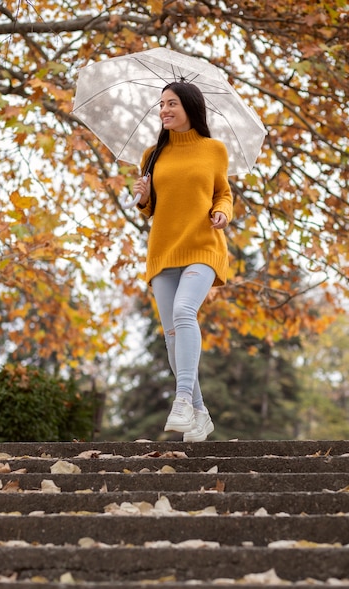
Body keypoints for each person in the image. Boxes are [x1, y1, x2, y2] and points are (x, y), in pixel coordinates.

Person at [133, 80, 233, 442]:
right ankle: (200, 412)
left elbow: (223, 193)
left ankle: (181, 400)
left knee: (183, 313)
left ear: (190, 106)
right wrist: (144, 198)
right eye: (160, 105)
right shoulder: (151, 155)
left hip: (204, 246)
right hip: (163, 250)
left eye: (171, 103)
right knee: (173, 336)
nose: (164, 110)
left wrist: (222, 212)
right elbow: (152, 209)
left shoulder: (214, 150)